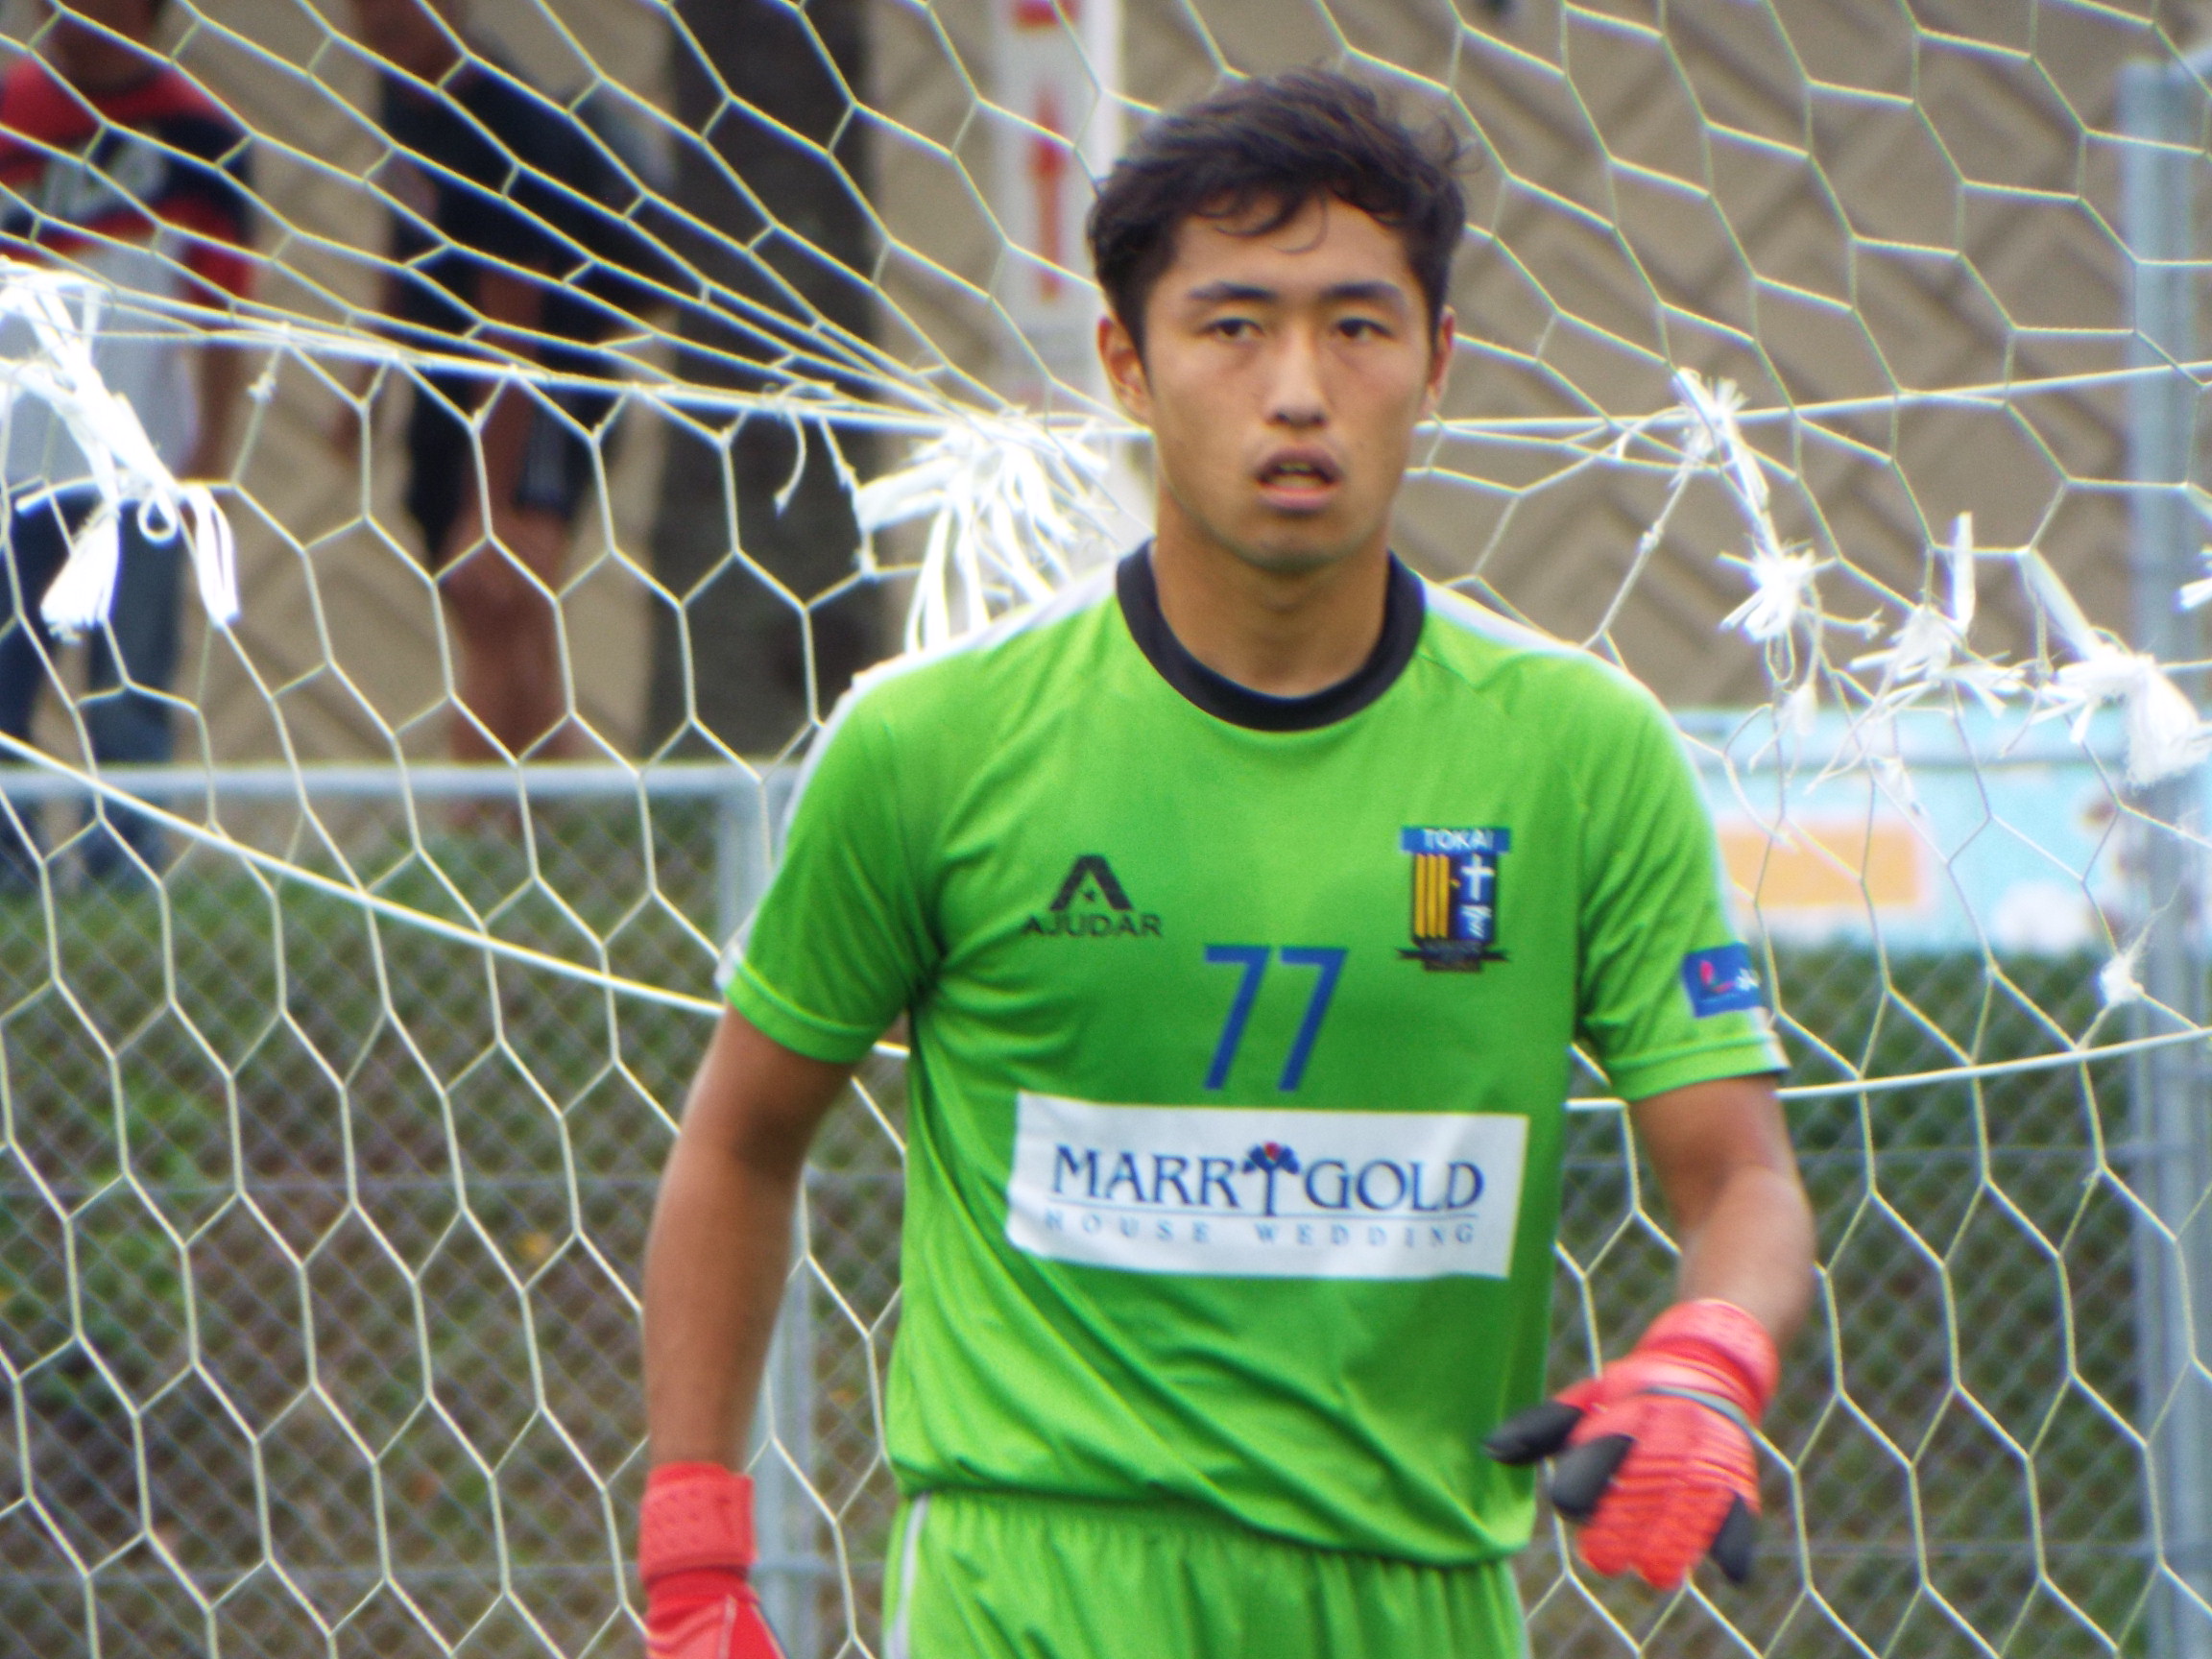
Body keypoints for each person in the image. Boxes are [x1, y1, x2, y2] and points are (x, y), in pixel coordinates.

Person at [638, 70, 1816, 1659]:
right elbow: (739, 1137)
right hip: (1032, 1590)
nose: (1298, 390)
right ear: (1126, 363)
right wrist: (695, 1558)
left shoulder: (1577, 752)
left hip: (1411, 1598)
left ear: (1436, 362)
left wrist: (1707, 1359)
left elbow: (1742, 1177)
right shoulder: (932, 742)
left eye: (1356, 326)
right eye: (1233, 326)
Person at [339, 0, 660, 762]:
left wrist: (490, 504)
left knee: (499, 599)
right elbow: (403, 245)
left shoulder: (512, 130)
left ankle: (473, 816)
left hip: (540, 396)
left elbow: (512, 332)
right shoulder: (401, 96)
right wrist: (366, 385)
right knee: (516, 640)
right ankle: (548, 817)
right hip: (446, 395)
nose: (379, 18)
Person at [0, 0, 252, 881]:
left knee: (131, 691)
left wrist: (209, 461)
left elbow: (224, 312)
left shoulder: (203, 136)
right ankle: (11, 882)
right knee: (4, 681)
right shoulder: (11, 118)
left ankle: (123, 882)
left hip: (141, 464)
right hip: (12, 464)